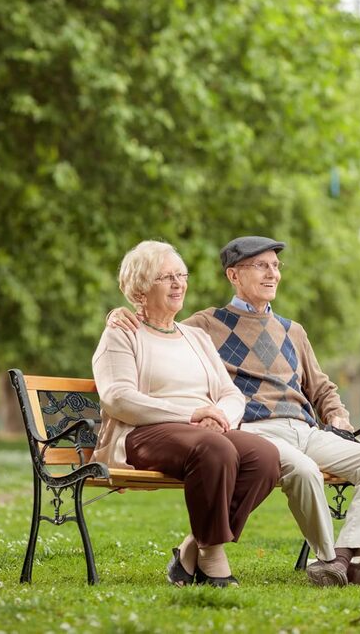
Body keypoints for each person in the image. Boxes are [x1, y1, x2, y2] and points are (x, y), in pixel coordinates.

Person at [109, 236, 360, 587]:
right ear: (234, 275)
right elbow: (159, 326)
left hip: (306, 429)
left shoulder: (294, 331)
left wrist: (336, 414)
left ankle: (342, 556)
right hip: (255, 429)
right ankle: (327, 560)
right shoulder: (206, 325)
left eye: (276, 266)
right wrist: (120, 313)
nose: (273, 274)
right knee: (304, 472)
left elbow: (321, 386)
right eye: (261, 266)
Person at [92, 240, 280, 588]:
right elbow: (118, 398)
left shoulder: (196, 337)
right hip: (146, 432)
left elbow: (230, 393)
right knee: (216, 449)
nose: (179, 283)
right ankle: (213, 555)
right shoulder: (121, 333)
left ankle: (192, 546)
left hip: (205, 430)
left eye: (182, 275)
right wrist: (192, 414)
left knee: (265, 456)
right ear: (142, 287)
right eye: (167, 277)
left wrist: (218, 415)